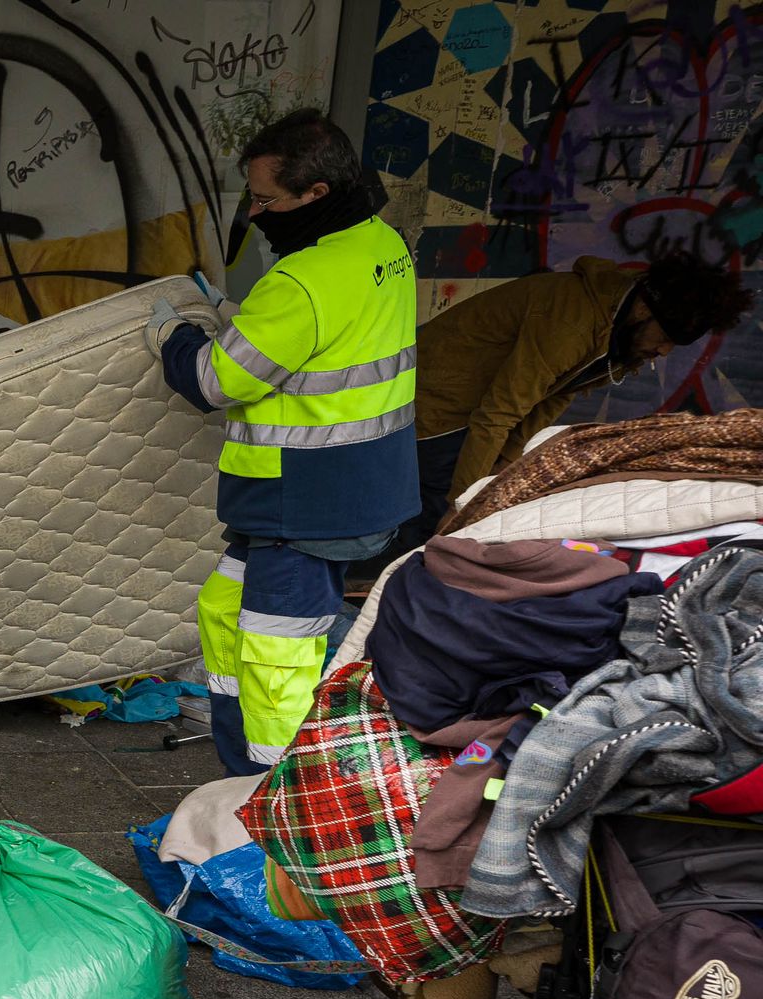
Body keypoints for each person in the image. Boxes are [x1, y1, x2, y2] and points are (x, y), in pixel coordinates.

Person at [148, 110, 418, 774]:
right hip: (358, 488)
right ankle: (246, 759)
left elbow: (215, 381)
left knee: (276, 653)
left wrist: (173, 336)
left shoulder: (300, 281)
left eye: (267, 199)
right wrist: (245, 322)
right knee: (227, 610)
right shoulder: (380, 244)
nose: (258, 212)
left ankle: (273, 797)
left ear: (315, 196)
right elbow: (326, 348)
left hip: (299, 500)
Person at [349, 249, 755, 580]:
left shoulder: (619, 336)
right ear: (643, 312)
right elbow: (498, 413)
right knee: (431, 517)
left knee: (450, 511)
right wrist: (464, 507)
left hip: (468, 414)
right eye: (664, 339)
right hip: (436, 407)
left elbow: (546, 403)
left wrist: (499, 478)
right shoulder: (572, 321)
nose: (663, 352)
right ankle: (376, 590)